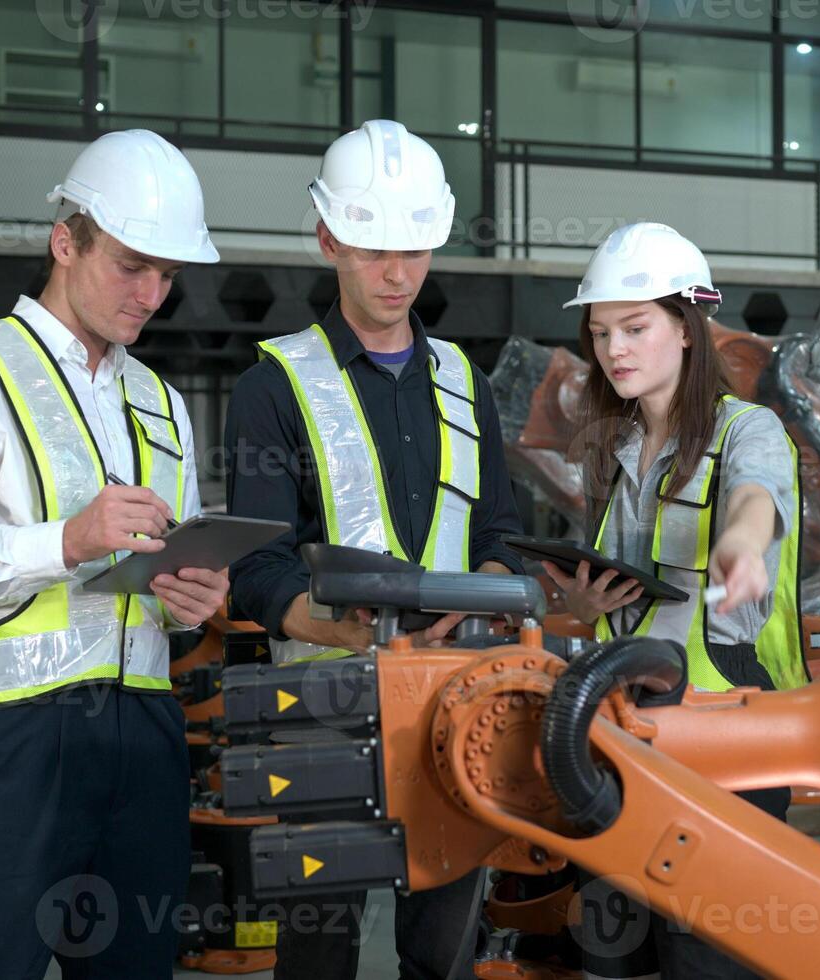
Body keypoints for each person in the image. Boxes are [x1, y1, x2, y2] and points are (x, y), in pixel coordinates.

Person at [0, 129, 229, 978]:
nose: (151, 294)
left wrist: (189, 596)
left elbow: (164, 580)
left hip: (144, 739)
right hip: (3, 749)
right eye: (132, 265)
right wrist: (63, 541)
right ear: (66, 241)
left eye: (168, 275)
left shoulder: (163, 402)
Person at [223, 119, 526, 979]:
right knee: (318, 954)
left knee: (446, 953)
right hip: (324, 706)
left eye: (416, 250)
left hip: (455, 703)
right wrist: (364, 635)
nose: (397, 275)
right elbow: (258, 572)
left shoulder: (466, 383)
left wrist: (484, 599)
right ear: (327, 238)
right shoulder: (272, 386)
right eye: (371, 250)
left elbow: (496, 532)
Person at [549, 221, 807, 979]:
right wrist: (588, 601)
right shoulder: (613, 447)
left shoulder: (745, 430)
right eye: (600, 333)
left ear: (688, 329)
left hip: (727, 734)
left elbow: (758, 496)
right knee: (616, 945)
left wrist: (742, 543)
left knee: (707, 953)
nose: (614, 350)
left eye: (635, 328)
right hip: (626, 728)